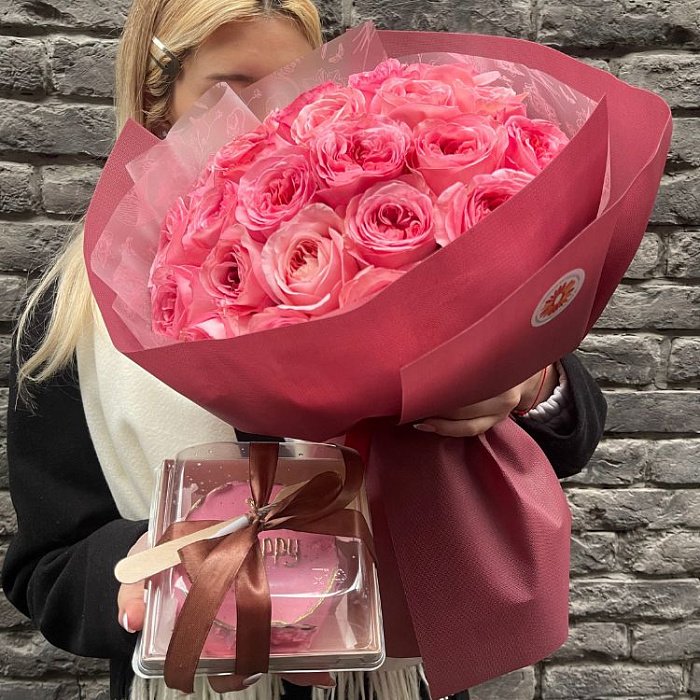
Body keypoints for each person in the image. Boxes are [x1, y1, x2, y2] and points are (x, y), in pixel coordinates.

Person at [1, 1, 608, 699]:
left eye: (289, 85)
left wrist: (525, 382)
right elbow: (43, 569)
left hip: (388, 674)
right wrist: (145, 563)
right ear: (155, 99)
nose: (259, 115)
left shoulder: (395, 236)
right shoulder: (72, 315)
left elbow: (573, 435)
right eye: (229, 89)